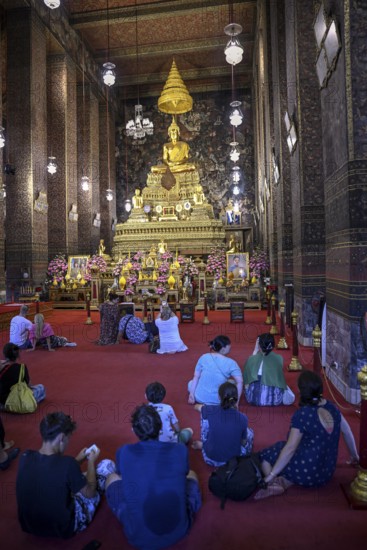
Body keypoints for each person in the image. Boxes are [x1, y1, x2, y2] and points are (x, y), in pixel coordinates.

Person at [105, 404, 201, 550]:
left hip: (137, 536)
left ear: (133, 430)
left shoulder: (124, 452)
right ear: (160, 426)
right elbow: (186, 474)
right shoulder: (180, 449)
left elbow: (122, 475)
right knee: (192, 474)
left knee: (112, 478)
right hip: (179, 530)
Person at [254, 371, 359, 500]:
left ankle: (274, 482)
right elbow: (347, 432)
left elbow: (290, 448)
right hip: (326, 472)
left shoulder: (303, 414)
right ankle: (285, 482)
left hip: (306, 470)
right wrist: (355, 456)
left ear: (301, 391)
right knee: (297, 453)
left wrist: (269, 476)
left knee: (267, 455)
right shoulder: (333, 408)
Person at [16, 411, 115, 538]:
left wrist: (77, 460)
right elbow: (90, 493)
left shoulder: (25, 456)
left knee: (70, 479)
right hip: (63, 527)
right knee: (107, 466)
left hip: (30, 525)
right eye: (69, 438)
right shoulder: (67, 464)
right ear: (62, 438)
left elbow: (54, 471)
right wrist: (91, 462)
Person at [192, 382, 254, 467]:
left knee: (205, 417)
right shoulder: (243, 418)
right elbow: (243, 442)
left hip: (209, 458)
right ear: (236, 398)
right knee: (249, 432)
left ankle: (204, 444)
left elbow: (196, 407)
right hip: (232, 462)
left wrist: (202, 406)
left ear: (218, 397)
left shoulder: (210, 409)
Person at [188, 335, 243, 405]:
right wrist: (236, 403)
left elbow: (196, 376)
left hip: (199, 398)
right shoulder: (232, 363)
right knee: (233, 385)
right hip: (219, 401)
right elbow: (240, 382)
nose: (231, 347)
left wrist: (192, 394)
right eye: (229, 345)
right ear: (223, 348)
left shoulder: (204, 357)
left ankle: (195, 395)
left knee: (190, 383)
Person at [243, 333, 295, 406]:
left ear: (259, 346)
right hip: (275, 400)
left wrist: (255, 350)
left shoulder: (251, 359)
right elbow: (280, 380)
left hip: (253, 399)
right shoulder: (279, 358)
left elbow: (246, 377)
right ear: (272, 345)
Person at [0, 343, 45, 408]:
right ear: (17, 355)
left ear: (4, 354)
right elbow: (29, 386)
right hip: (14, 401)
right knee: (41, 387)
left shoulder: (1, 365)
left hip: (1, 400)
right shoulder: (22, 368)